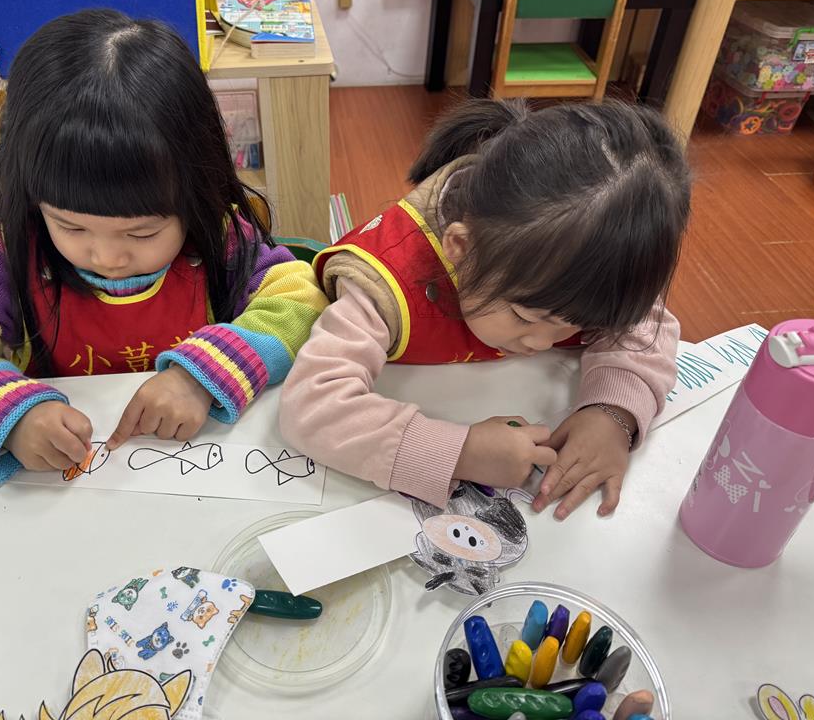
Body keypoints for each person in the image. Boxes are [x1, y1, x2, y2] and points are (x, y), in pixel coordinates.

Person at [0, 9, 327, 483]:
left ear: (196, 191)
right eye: (70, 227)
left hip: (194, 467)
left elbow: (300, 301)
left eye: (142, 234)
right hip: (69, 481)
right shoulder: (7, 252)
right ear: (32, 197)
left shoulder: (214, 234)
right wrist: (11, 418)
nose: (108, 257)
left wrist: (201, 377)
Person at [280, 99, 690, 518]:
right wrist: (458, 452)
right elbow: (312, 405)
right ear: (460, 247)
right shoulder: (382, 286)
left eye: (579, 323)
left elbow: (648, 326)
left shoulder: (585, 271)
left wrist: (613, 414)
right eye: (526, 317)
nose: (542, 342)